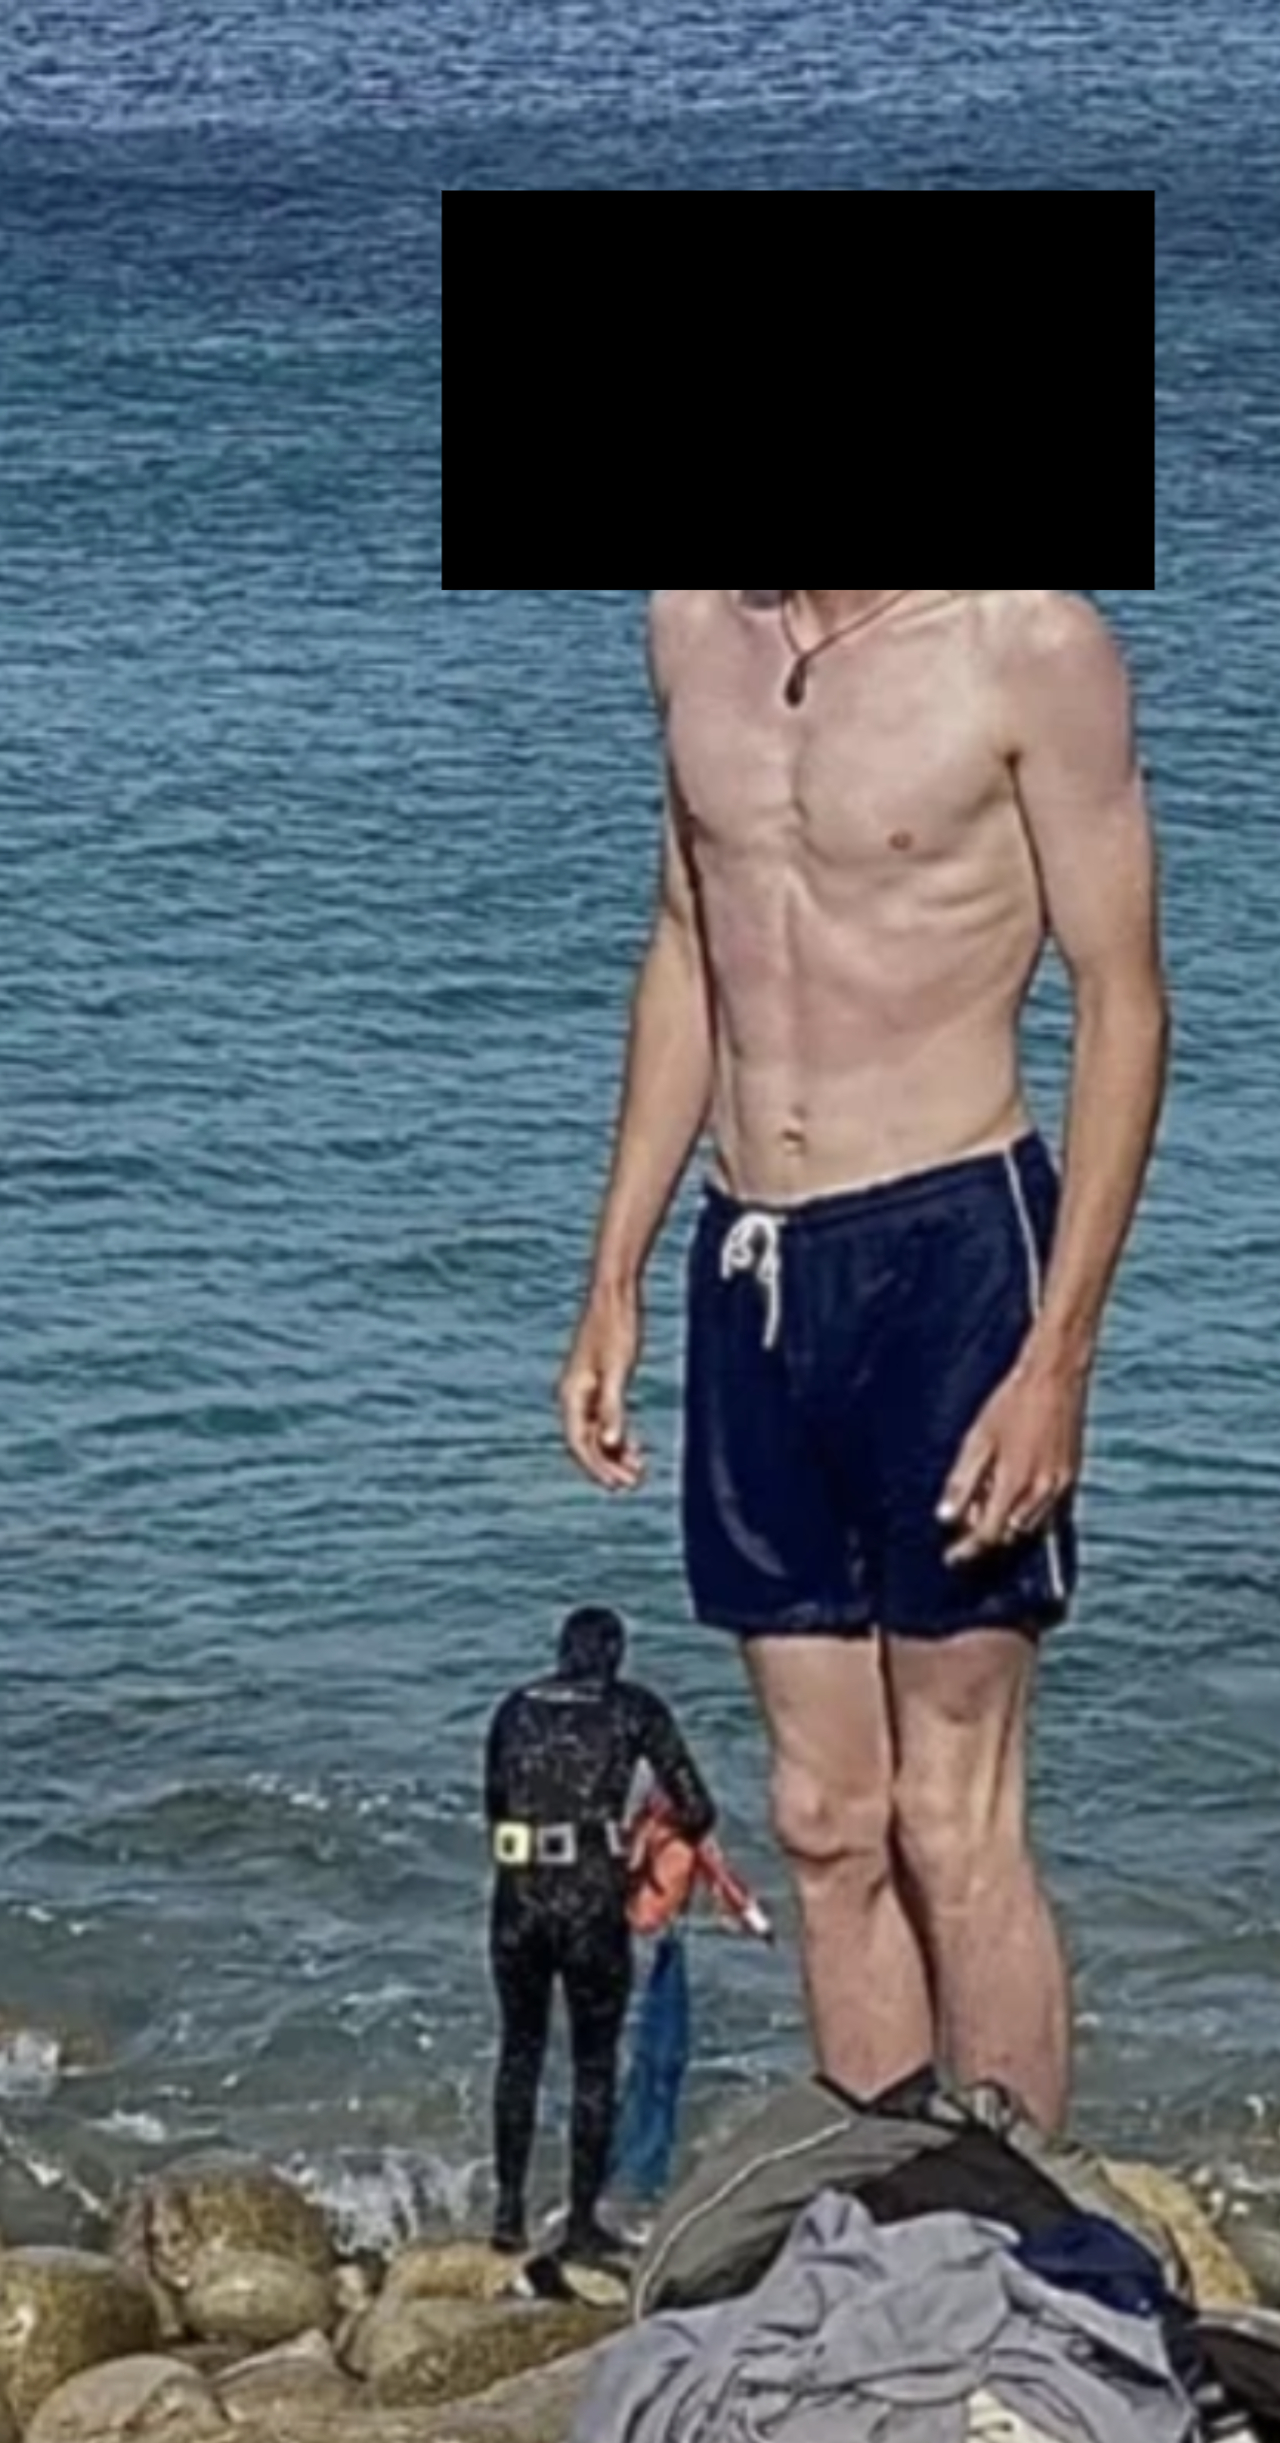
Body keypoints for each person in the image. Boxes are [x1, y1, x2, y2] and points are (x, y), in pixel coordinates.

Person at [556, 590, 1170, 2132]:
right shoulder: (691, 628)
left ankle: (1013, 2216)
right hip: (751, 1263)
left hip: (953, 1253)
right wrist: (615, 1272)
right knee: (825, 1819)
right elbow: (690, 945)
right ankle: (884, 2206)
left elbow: (1123, 1001)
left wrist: (1057, 1361)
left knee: (952, 1818)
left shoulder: (1025, 646)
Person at [483, 1603, 714, 2259]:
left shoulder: (512, 1709)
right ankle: (582, 2223)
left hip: (518, 1899)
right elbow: (696, 1806)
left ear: (562, 1652)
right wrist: (655, 1835)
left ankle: (507, 2213)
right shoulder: (633, 1707)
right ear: (614, 1655)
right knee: (593, 2063)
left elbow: (495, 1803)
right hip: (590, 1903)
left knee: (519, 2052)